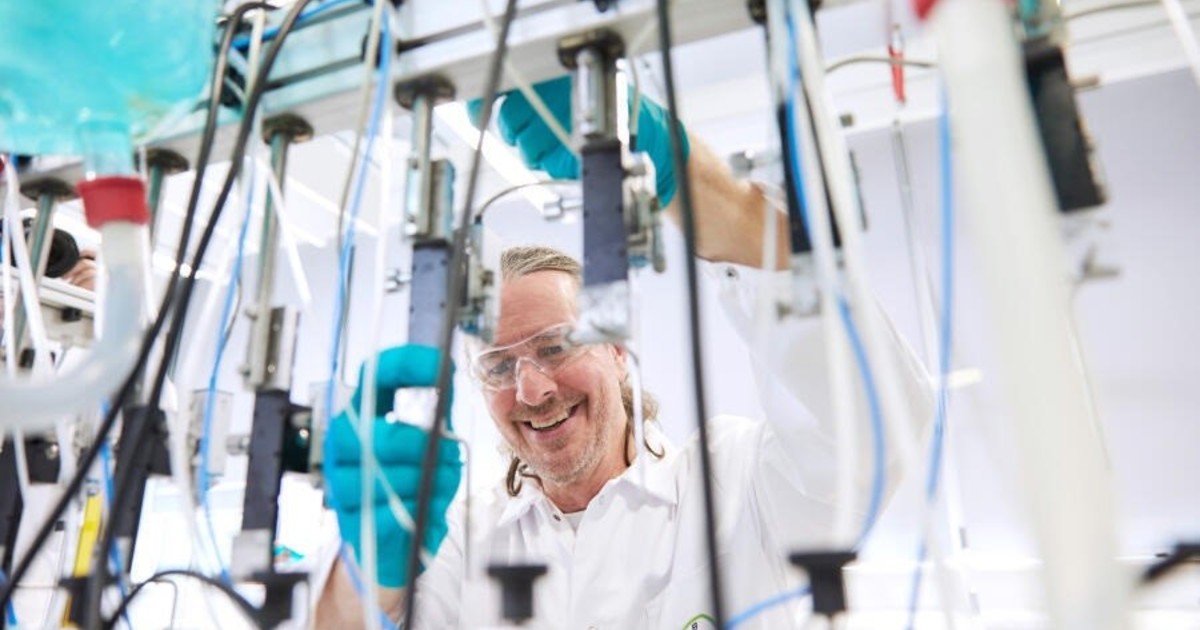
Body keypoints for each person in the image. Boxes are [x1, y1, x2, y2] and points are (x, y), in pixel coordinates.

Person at [313, 77, 930, 628]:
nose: (532, 390)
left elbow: (879, 426)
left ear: (616, 350)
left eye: (556, 346)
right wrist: (367, 567)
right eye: (499, 366)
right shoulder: (459, 540)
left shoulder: (735, 482)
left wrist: (680, 174)